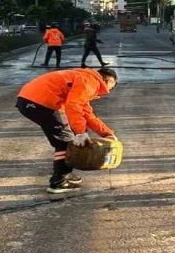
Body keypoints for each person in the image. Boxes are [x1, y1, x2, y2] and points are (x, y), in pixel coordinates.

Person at [17, 66, 119, 194]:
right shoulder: (90, 82)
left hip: (30, 100)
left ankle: (66, 174)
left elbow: (86, 113)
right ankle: (59, 181)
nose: (110, 90)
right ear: (109, 81)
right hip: (40, 103)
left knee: (65, 138)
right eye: (112, 86)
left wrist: (106, 132)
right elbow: (73, 106)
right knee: (64, 141)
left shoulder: (83, 78)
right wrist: (81, 132)